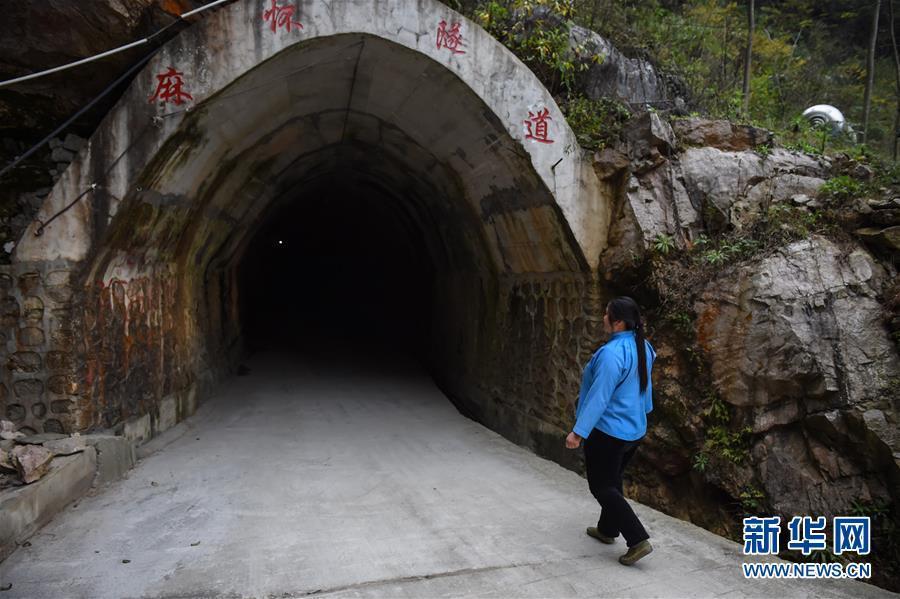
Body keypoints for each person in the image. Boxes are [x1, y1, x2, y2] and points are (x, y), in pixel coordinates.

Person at [565, 296, 656, 566]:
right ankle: (607, 530)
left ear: (617, 322)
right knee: (613, 480)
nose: (603, 318)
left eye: (606, 314)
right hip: (633, 430)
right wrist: (644, 412)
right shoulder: (644, 346)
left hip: (608, 432)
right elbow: (645, 387)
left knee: (602, 486)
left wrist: (578, 432)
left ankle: (637, 539)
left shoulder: (611, 354)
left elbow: (599, 396)